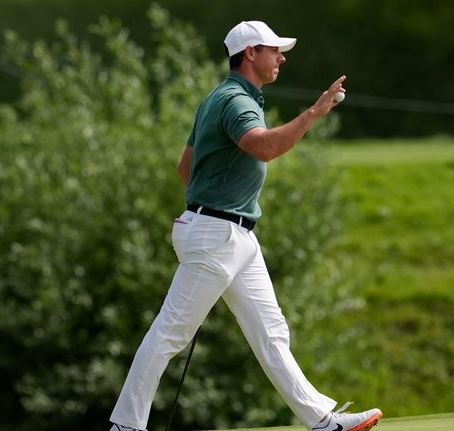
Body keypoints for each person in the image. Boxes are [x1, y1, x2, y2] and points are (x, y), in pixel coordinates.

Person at [109, 20, 382, 431]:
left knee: (271, 331)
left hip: (230, 234)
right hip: (218, 235)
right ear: (251, 53)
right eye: (275, 49)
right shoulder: (235, 100)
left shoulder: (219, 98)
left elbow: (187, 167)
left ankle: (323, 420)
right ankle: (126, 425)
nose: (282, 57)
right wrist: (315, 112)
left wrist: (207, 205)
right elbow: (266, 147)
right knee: (170, 333)